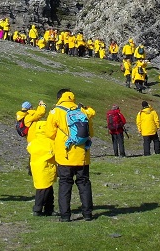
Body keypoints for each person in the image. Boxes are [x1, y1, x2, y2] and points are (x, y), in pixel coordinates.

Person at [44, 89, 94, 222]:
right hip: (82, 156)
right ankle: (87, 213)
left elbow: (49, 133)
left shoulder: (56, 111)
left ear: (59, 97)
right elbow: (91, 132)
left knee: (65, 184)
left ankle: (65, 215)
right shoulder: (82, 110)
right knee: (84, 183)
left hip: (64, 155)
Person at [27, 117, 57, 216]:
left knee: (45, 188)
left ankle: (49, 208)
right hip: (46, 168)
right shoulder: (50, 142)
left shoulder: (33, 142)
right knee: (44, 189)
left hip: (36, 167)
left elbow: (30, 154)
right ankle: (38, 208)